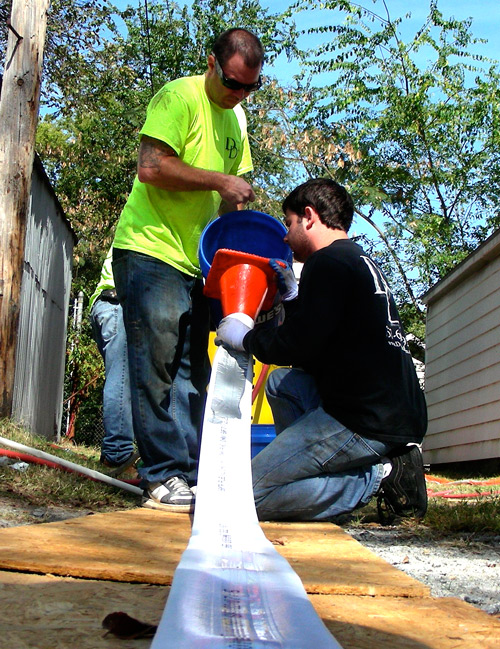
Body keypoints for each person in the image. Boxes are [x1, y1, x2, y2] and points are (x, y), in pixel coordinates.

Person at [112, 28, 264, 512]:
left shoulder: (236, 121)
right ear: (211, 63)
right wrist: (220, 180)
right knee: (154, 363)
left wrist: (234, 258)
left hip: (196, 263)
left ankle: (188, 471)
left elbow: (230, 202)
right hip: (149, 250)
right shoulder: (179, 97)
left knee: (191, 372)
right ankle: (159, 476)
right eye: (232, 82)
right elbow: (151, 167)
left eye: (248, 87)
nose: (238, 93)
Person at [215, 178, 428, 523]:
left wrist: (245, 337)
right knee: (281, 384)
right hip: (392, 412)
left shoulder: (325, 262)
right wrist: (292, 298)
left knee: (245, 495)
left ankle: (379, 477)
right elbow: (316, 347)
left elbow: (294, 345)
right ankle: (311, 479)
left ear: (309, 217)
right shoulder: (358, 261)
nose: (285, 235)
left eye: (289, 222)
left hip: (365, 421)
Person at [89, 249, 136, 474]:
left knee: (121, 376)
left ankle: (114, 452)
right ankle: (117, 454)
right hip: (117, 304)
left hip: (106, 304)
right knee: (122, 378)